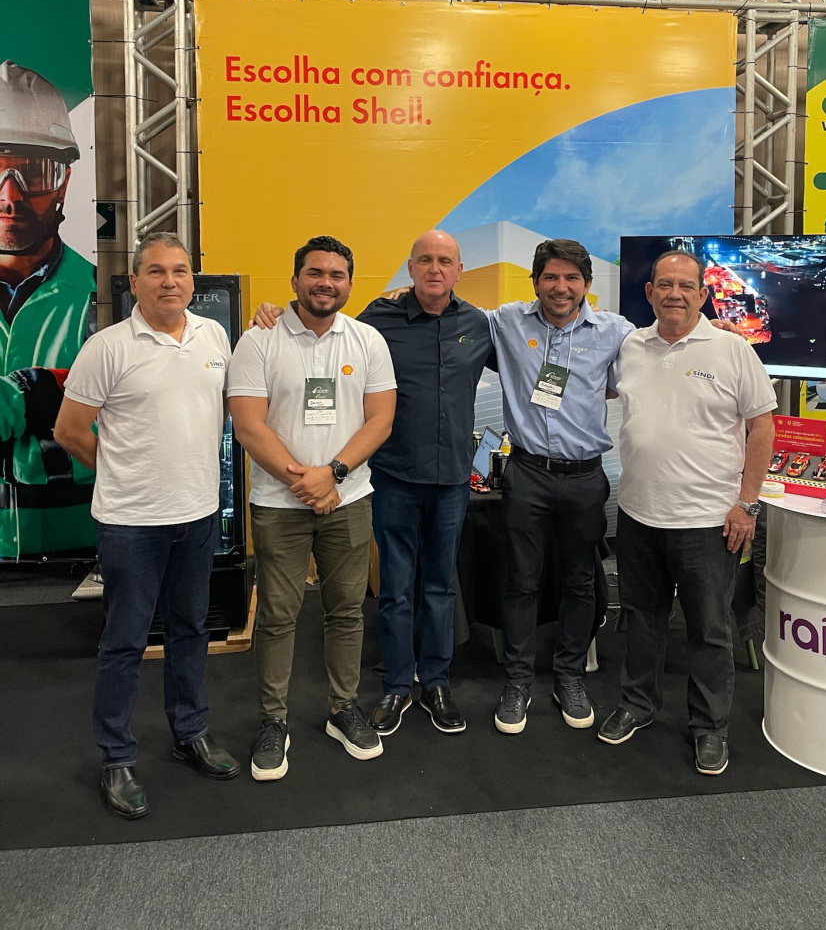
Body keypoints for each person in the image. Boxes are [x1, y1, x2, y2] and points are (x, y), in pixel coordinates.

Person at [253, 230, 496, 738]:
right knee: (395, 589)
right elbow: (322, 324)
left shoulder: (479, 324)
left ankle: (437, 682)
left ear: (459, 269)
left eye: (445, 261)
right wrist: (270, 312)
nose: (435, 269)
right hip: (392, 476)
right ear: (410, 267)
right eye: (425, 260)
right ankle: (396, 684)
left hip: (452, 477)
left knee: (440, 586)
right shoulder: (376, 321)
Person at [53, 232, 241, 820]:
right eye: (155, 271)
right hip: (131, 523)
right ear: (134, 281)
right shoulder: (106, 348)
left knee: (189, 630)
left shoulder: (213, 337)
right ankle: (116, 756)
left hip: (198, 513)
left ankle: (191, 732)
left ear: (193, 280)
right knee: (125, 641)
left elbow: (225, 410)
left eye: (179, 270)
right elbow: (69, 430)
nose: (169, 281)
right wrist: (120, 472)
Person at [596, 250, 776, 775]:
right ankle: (637, 704)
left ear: (703, 293)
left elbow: (762, 427)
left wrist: (747, 503)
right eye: (664, 284)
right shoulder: (631, 346)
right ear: (649, 292)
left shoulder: (732, 349)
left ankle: (709, 726)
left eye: (685, 286)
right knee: (643, 619)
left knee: (709, 628)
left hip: (709, 520)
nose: (674, 294)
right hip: (638, 513)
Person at [228, 236, 396, 777]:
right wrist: (305, 482)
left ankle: (343, 709)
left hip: (349, 497)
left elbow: (380, 419)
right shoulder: (259, 340)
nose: (326, 283)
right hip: (279, 502)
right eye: (315, 273)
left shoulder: (367, 340)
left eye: (337, 275)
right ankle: (273, 720)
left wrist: (334, 474)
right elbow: (248, 424)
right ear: (295, 279)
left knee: (346, 610)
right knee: (278, 615)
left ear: (350, 283)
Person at [489, 239, 633, 735]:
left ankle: (569, 675)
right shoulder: (507, 321)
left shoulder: (616, 332)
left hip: (585, 478)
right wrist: (401, 297)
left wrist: (716, 332)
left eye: (572, 278)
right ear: (535, 282)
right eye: (550, 277)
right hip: (526, 473)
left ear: (587, 284)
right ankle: (517, 680)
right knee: (521, 581)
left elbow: (665, 353)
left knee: (581, 580)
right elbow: (447, 316)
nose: (561, 287)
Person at [0, 60, 96, 560]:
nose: (10, 197)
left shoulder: (103, 298)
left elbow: (130, 414)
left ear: (64, 180)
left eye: (33, 172)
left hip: (79, 542)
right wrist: (32, 393)